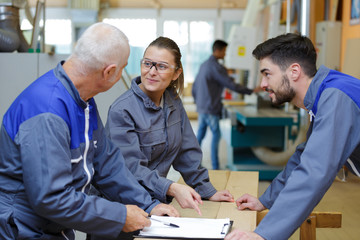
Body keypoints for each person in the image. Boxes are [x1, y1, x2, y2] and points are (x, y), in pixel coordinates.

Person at [0, 22, 179, 240]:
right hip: (24, 230)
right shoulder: (47, 114)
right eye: (123, 67)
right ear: (110, 72)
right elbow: (51, 198)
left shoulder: (82, 99)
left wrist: (148, 204)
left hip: (55, 227)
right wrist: (119, 216)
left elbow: (106, 162)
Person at [225, 33, 360, 240]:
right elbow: (304, 156)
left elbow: (314, 171)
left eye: (267, 74)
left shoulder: (336, 97)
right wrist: (265, 201)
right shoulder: (326, 93)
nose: (262, 83)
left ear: (294, 71)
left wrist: (263, 235)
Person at [105, 36, 234, 216]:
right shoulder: (122, 110)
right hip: (120, 208)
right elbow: (130, 168)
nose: (151, 72)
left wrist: (207, 191)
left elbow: (186, 151)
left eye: (162, 66)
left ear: (176, 73)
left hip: (153, 202)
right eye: (147, 63)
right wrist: (171, 188)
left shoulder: (172, 101)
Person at [192, 39, 261, 170]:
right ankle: (216, 167)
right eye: (224, 51)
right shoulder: (216, 67)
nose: (225, 54)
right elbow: (230, 84)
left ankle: (194, 164)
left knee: (200, 136)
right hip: (211, 108)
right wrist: (251, 90)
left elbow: (194, 87)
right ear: (217, 51)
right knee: (216, 135)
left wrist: (198, 103)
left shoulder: (204, 65)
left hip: (202, 107)